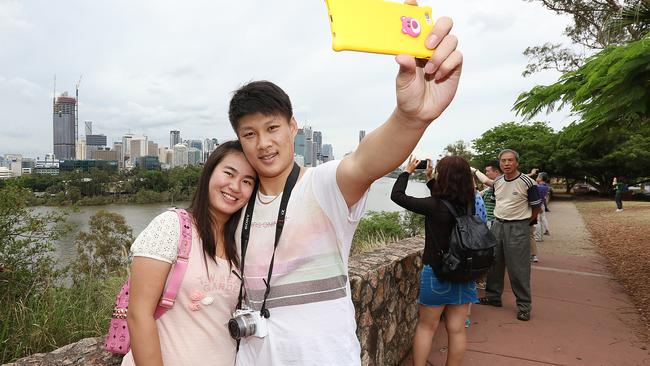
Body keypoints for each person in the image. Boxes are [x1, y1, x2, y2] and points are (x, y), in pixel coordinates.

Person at [227, 14, 463, 366]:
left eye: (272, 127)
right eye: (249, 134)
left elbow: (366, 161)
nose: (263, 143)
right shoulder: (237, 202)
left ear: (293, 127)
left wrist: (410, 118)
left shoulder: (323, 185)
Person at [123, 141, 256, 366]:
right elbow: (138, 315)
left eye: (247, 181)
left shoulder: (240, 244)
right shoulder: (172, 226)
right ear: (209, 173)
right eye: (229, 173)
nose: (235, 186)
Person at [391, 155, 477, 366]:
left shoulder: (433, 205)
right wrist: (430, 180)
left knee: (427, 327)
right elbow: (446, 204)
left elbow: (398, 196)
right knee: (456, 329)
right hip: (464, 272)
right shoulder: (469, 204)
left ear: (444, 176)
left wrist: (407, 171)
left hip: (437, 273)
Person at [471, 149, 542, 321]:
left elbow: (536, 208)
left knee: (518, 267)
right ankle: (493, 297)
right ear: (500, 163)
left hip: (518, 227)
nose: (507, 164)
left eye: (510, 160)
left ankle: (524, 305)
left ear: (517, 162)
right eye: (503, 161)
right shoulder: (498, 182)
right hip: (498, 224)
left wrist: (524, 223)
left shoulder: (528, 182)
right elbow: (498, 201)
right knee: (494, 262)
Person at [534, 172, 551, 241]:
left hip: (538, 205)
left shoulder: (539, 187)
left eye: (538, 176)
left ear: (540, 178)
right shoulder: (545, 186)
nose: (536, 177)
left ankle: (538, 237)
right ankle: (540, 236)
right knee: (541, 220)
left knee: (537, 221)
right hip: (541, 205)